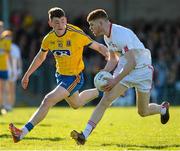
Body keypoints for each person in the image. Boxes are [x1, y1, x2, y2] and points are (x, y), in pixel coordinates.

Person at [9, 7, 109, 143]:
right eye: (56, 22)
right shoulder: (49, 39)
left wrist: (112, 58)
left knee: (48, 100)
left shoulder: (76, 33)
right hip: (60, 76)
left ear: (66, 20)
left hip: (75, 76)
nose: (60, 25)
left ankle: (22, 133)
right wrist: (27, 74)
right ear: (50, 23)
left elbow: (99, 47)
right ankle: (103, 91)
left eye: (62, 21)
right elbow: (40, 57)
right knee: (76, 103)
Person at [70, 9, 170, 145]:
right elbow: (113, 60)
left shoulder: (120, 34)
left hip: (142, 70)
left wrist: (115, 80)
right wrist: (103, 73)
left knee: (143, 111)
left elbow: (132, 62)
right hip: (127, 69)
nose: (90, 28)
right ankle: (84, 135)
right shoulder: (107, 37)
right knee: (105, 100)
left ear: (100, 22)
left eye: (92, 25)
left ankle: (162, 109)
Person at [0, 27, 13, 115]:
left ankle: (3, 106)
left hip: (4, 68)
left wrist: (12, 68)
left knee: (4, 89)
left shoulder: (6, 41)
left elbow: (9, 55)